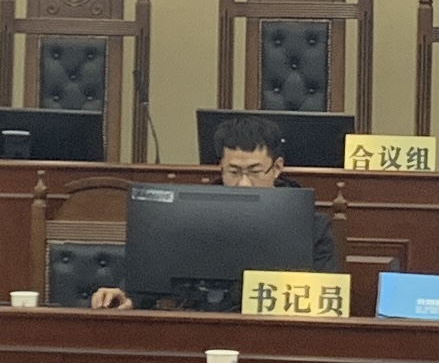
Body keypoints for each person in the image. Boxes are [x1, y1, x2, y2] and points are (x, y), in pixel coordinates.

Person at [90, 114, 339, 307]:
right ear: (221, 167)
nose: (244, 183)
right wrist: (127, 297)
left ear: (277, 168)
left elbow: (325, 296)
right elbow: (154, 274)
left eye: (254, 171)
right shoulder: (188, 214)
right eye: (234, 171)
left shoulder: (312, 225)